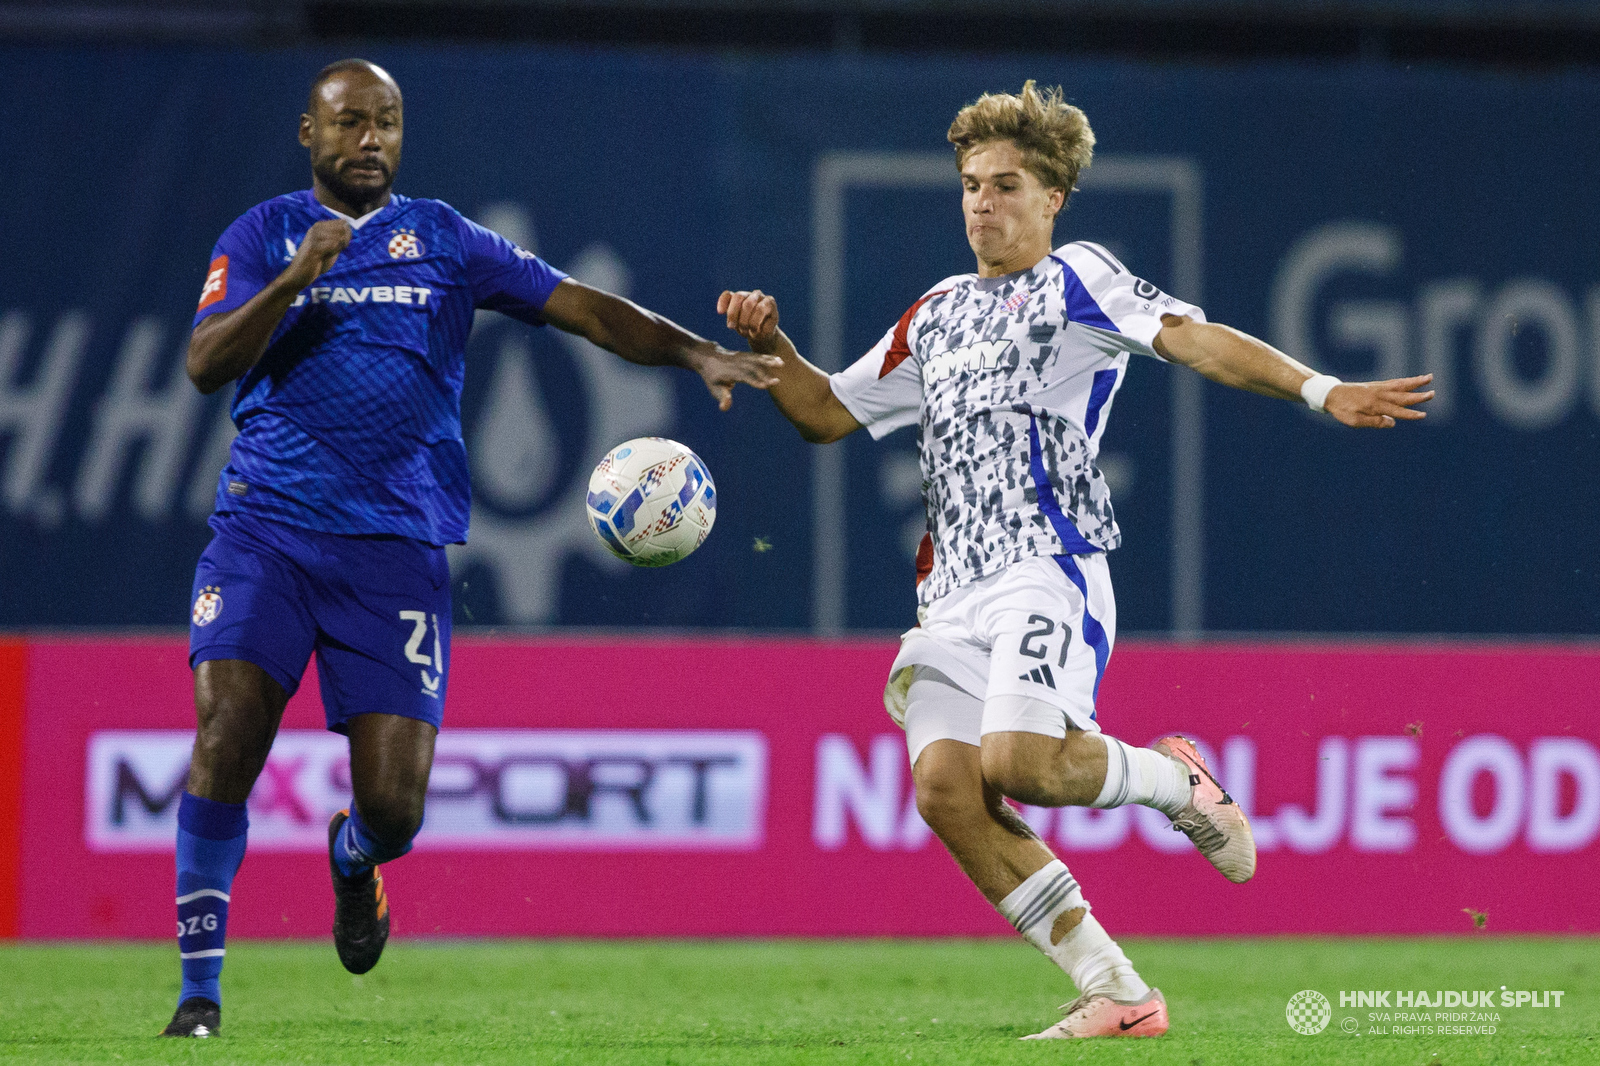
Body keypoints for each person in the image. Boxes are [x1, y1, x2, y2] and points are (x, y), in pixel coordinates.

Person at [719, 80, 1431, 1040]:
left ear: (1053, 198)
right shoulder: (933, 313)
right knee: (944, 792)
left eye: (1006, 185)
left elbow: (1191, 338)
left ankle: (1178, 782)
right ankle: (1123, 996)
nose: (983, 202)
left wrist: (1320, 387)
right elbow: (826, 413)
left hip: (1044, 564)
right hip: (951, 592)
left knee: (1020, 763)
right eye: (971, 184)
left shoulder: (1080, 279)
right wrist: (775, 349)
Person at [164, 58, 780, 1038]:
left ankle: (352, 858)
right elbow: (204, 363)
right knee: (227, 735)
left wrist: (694, 350)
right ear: (308, 136)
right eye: (350, 123)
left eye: (388, 123)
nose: (370, 139)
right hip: (266, 536)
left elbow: (580, 305)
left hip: (397, 551)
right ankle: (200, 995)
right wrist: (293, 278)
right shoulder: (262, 235)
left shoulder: (442, 239)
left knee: (397, 810)